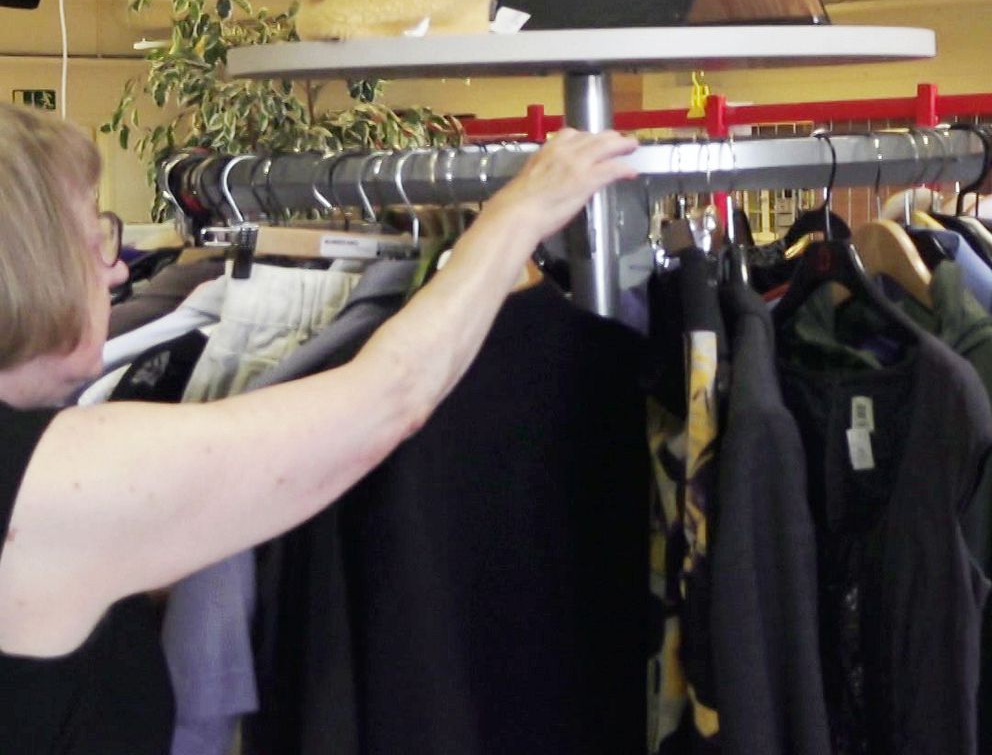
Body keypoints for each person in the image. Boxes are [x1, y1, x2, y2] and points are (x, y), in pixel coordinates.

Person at [0, 101, 638, 754]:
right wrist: (516, 215)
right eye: (94, 240)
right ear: (28, 266)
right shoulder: (49, 480)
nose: (115, 269)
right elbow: (389, 398)